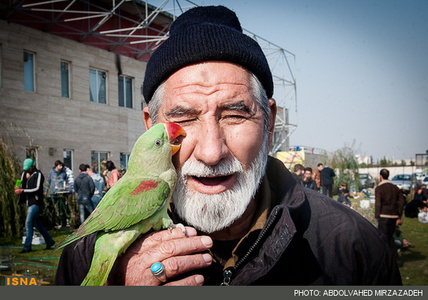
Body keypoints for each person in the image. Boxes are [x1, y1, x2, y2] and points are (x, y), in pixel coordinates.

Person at [55, 5, 401, 286]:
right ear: (152, 127)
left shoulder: (353, 248)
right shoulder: (86, 258)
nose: (211, 152)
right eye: (185, 120)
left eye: (235, 115)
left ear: (269, 124)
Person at [15, 158, 55, 253]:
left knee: (28, 222)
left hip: (35, 202)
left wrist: (23, 190)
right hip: (28, 202)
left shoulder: (38, 174)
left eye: (28, 169)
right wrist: (17, 186)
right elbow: (19, 180)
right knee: (37, 224)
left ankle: (27, 247)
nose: (26, 171)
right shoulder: (24, 173)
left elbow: (37, 188)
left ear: (33, 166)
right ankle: (49, 241)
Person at [375, 169, 405, 252]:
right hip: (394, 216)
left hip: (384, 215)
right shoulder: (395, 188)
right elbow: (401, 201)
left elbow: (378, 203)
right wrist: (399, 214)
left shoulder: (379, 188)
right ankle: (392, 256)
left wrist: (377, 216)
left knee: (383, 238)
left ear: (380, 176)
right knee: (390, 237)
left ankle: (387, 258)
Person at [45, 160, 71, 228]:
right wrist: (46, 191)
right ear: (56, 166)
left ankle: (63, 224)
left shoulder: (63, 172)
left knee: (62, 208)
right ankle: (52, 223)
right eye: (60, 165)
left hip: (62, 193)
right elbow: (48, 181)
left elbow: (67, 181)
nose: (61, 167)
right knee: (53, 208)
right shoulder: (52, 172)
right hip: (54, 193)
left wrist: (68, 188)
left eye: (62, 166)